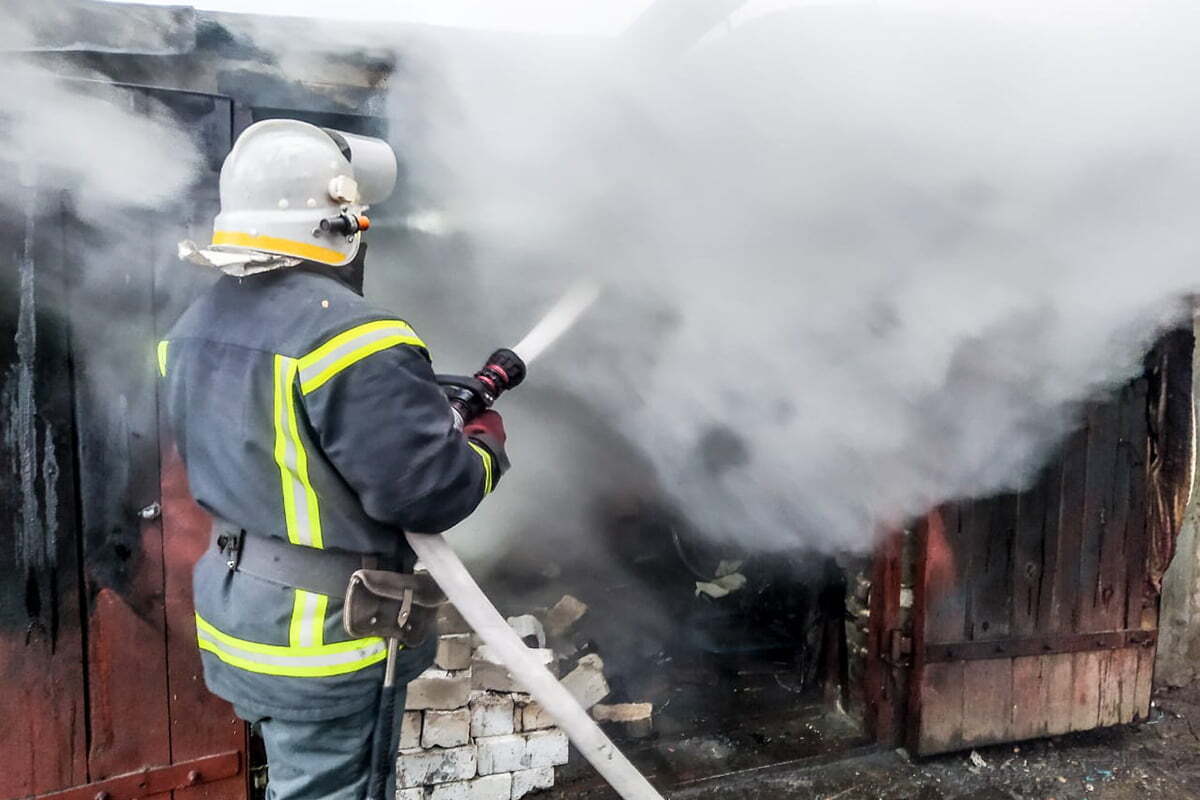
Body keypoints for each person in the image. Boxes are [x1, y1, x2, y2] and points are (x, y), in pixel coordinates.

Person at [159, 119, 508, 800]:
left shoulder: (193, 326)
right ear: (339, 220)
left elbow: (282, 442)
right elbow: (432, 493)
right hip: (322, 637)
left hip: (239, 616)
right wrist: (485, 442)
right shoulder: (354, 336)